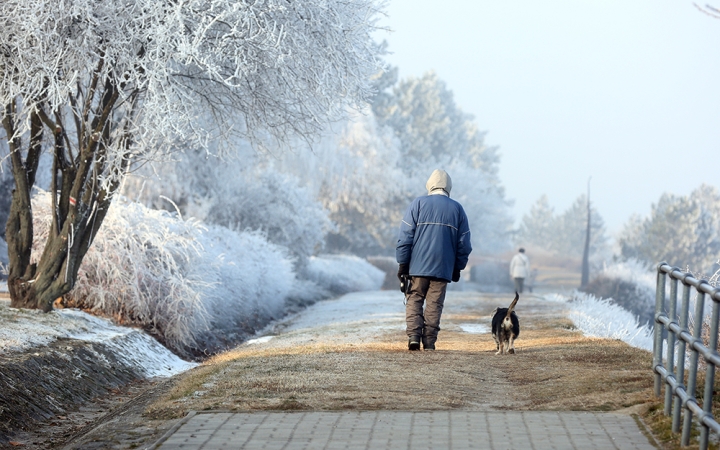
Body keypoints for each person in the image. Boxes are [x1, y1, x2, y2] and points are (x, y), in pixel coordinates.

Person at [396, 169, 472, 351]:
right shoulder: (457, 209)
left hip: (417, 266)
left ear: (430, 184)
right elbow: (465, 244)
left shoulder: (418, 204)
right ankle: (429, 342)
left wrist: (403, 263)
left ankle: (414, 336)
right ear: (448, 187)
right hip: (443, 267)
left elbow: (405, 237)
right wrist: (457, 267)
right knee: (434, 303)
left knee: (414, 298)